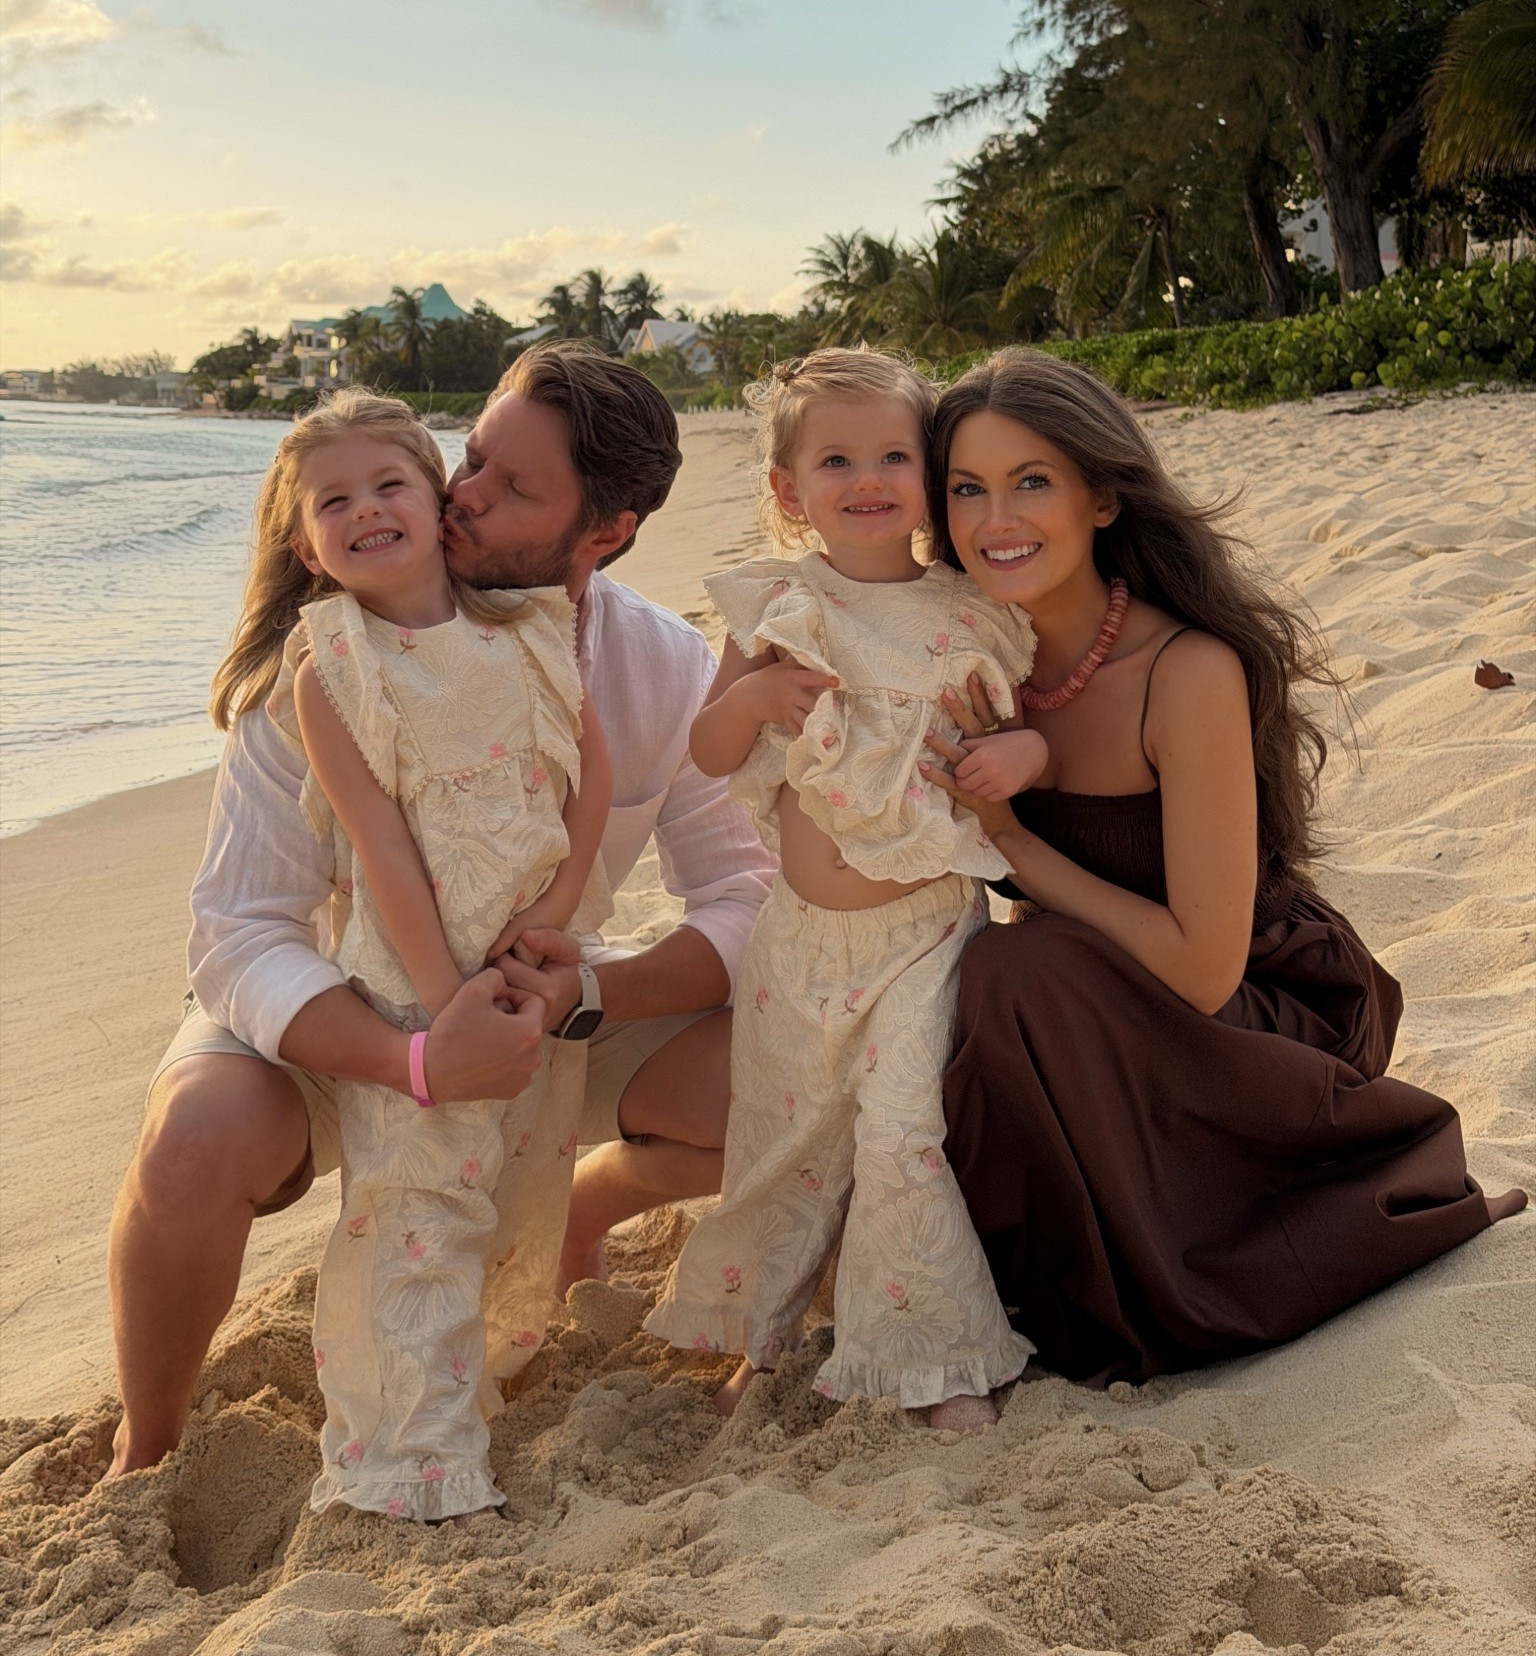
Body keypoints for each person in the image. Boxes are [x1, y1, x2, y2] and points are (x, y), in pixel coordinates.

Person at [106, 344, 774, 1479]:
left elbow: (746, 890)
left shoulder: (656, 665)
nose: (461, 496)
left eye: (514, 491)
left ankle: (581, 1206)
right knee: (191, 1145)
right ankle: (148, 1437)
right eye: (471, 460)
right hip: (341, 1010)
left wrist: (591, 986)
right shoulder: (325, 659)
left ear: (603, 532)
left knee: (792, 1078)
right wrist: (411, 1053)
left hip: (540, 1006)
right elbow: (239, 931)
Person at [920, 349, 1527, 1386]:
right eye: (967, 488)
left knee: (1008, 973)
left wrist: (1013, 839)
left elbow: (1204, 965)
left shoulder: (1185, 668)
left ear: (1102, 495)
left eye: (1031, 481)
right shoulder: (970, 664)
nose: (995, 519)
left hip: (1251, 998)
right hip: (1088, 1004)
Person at [221, 389, 610, 1521]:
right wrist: (447, 1012)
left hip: (525, 971)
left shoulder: (532, 631)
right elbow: (382, 850)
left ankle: (471, 1404)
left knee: (509, 1195)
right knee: (412, 1216)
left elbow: (587, 779)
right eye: (333, 501)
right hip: (415, 991)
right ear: (307, 546)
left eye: (390, 483)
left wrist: (557, 922)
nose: (366, 509)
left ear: (441, 504)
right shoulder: (331, 665)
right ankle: (409, 1469)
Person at [645, 350, 1044, 1428]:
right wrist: (761, 689)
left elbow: (1022, 737)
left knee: (900, 1135)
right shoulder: (778, 603)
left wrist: (1030, 758)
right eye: (835, 460)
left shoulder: (971, 611)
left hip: (926, 931)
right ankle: (758, 1338)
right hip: (798, 941)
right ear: (788, 489)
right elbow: (712, 746)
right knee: (784, 1144)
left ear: (929, 471)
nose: (866, 479)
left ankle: (934, 1361)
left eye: (892, 456)